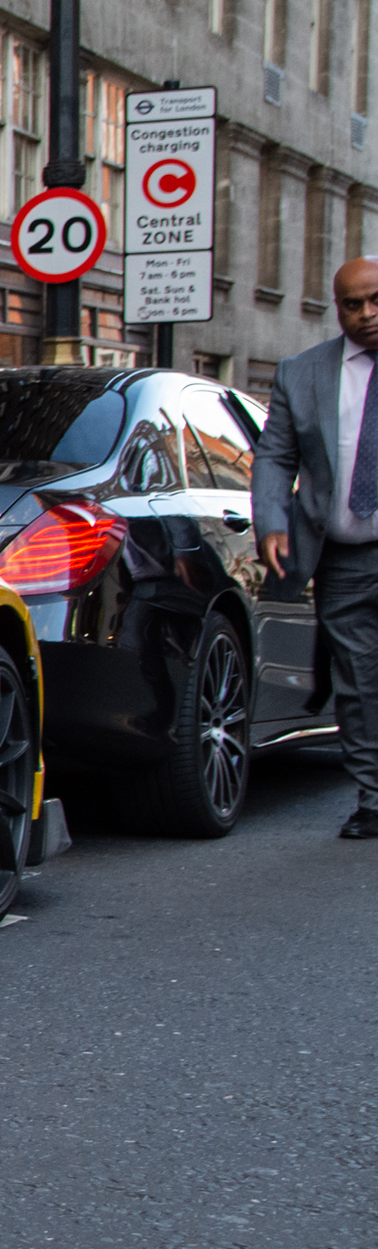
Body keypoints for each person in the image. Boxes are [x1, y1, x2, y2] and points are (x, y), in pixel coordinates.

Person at [254, 253, 378, 837]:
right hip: (344, 555)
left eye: (376, 301)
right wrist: (272, 520)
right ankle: (374, 797)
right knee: (357, 679)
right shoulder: (302, 373)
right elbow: (277, 456)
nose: (366, 314)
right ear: (337, 308)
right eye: (352, 304)